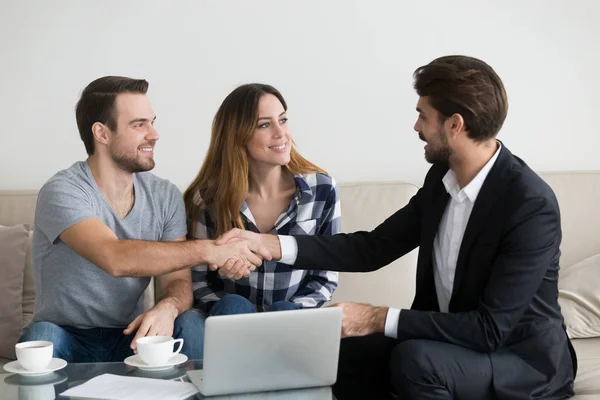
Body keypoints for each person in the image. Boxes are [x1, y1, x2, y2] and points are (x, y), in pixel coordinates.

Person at [214, 56, 577, 399]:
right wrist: (271, 245)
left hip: (521, 361)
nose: (416, 126)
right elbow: (372, 248)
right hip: (451, 344)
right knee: (341, 352)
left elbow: (489, 329)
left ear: (454, 125)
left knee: (417, 361)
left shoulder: (529, 205)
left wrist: (374, 317)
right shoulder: (442, 180)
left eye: (423, 115)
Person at [19, 76, 270, 363]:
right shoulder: (63, 190)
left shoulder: (164, 195)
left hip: (131, 336)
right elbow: (115, 257)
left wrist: (168, 307)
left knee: (190, 323)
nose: (154, 134)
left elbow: (176, 280)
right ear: (102, 133)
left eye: (151, 122)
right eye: (139, 125)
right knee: (42, 338)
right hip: (66, 336)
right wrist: (211, 249)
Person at [184, 83, 340, 316]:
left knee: (284, 312)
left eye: (283, 120)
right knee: (233, 306)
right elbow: (199, 280)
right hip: (230, 323)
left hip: (290, 323)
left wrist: (291, 312)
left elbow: (325, 277)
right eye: (265, 125)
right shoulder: (207, 199)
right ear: (238, 136)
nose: (281, 133)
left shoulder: (322, 190)